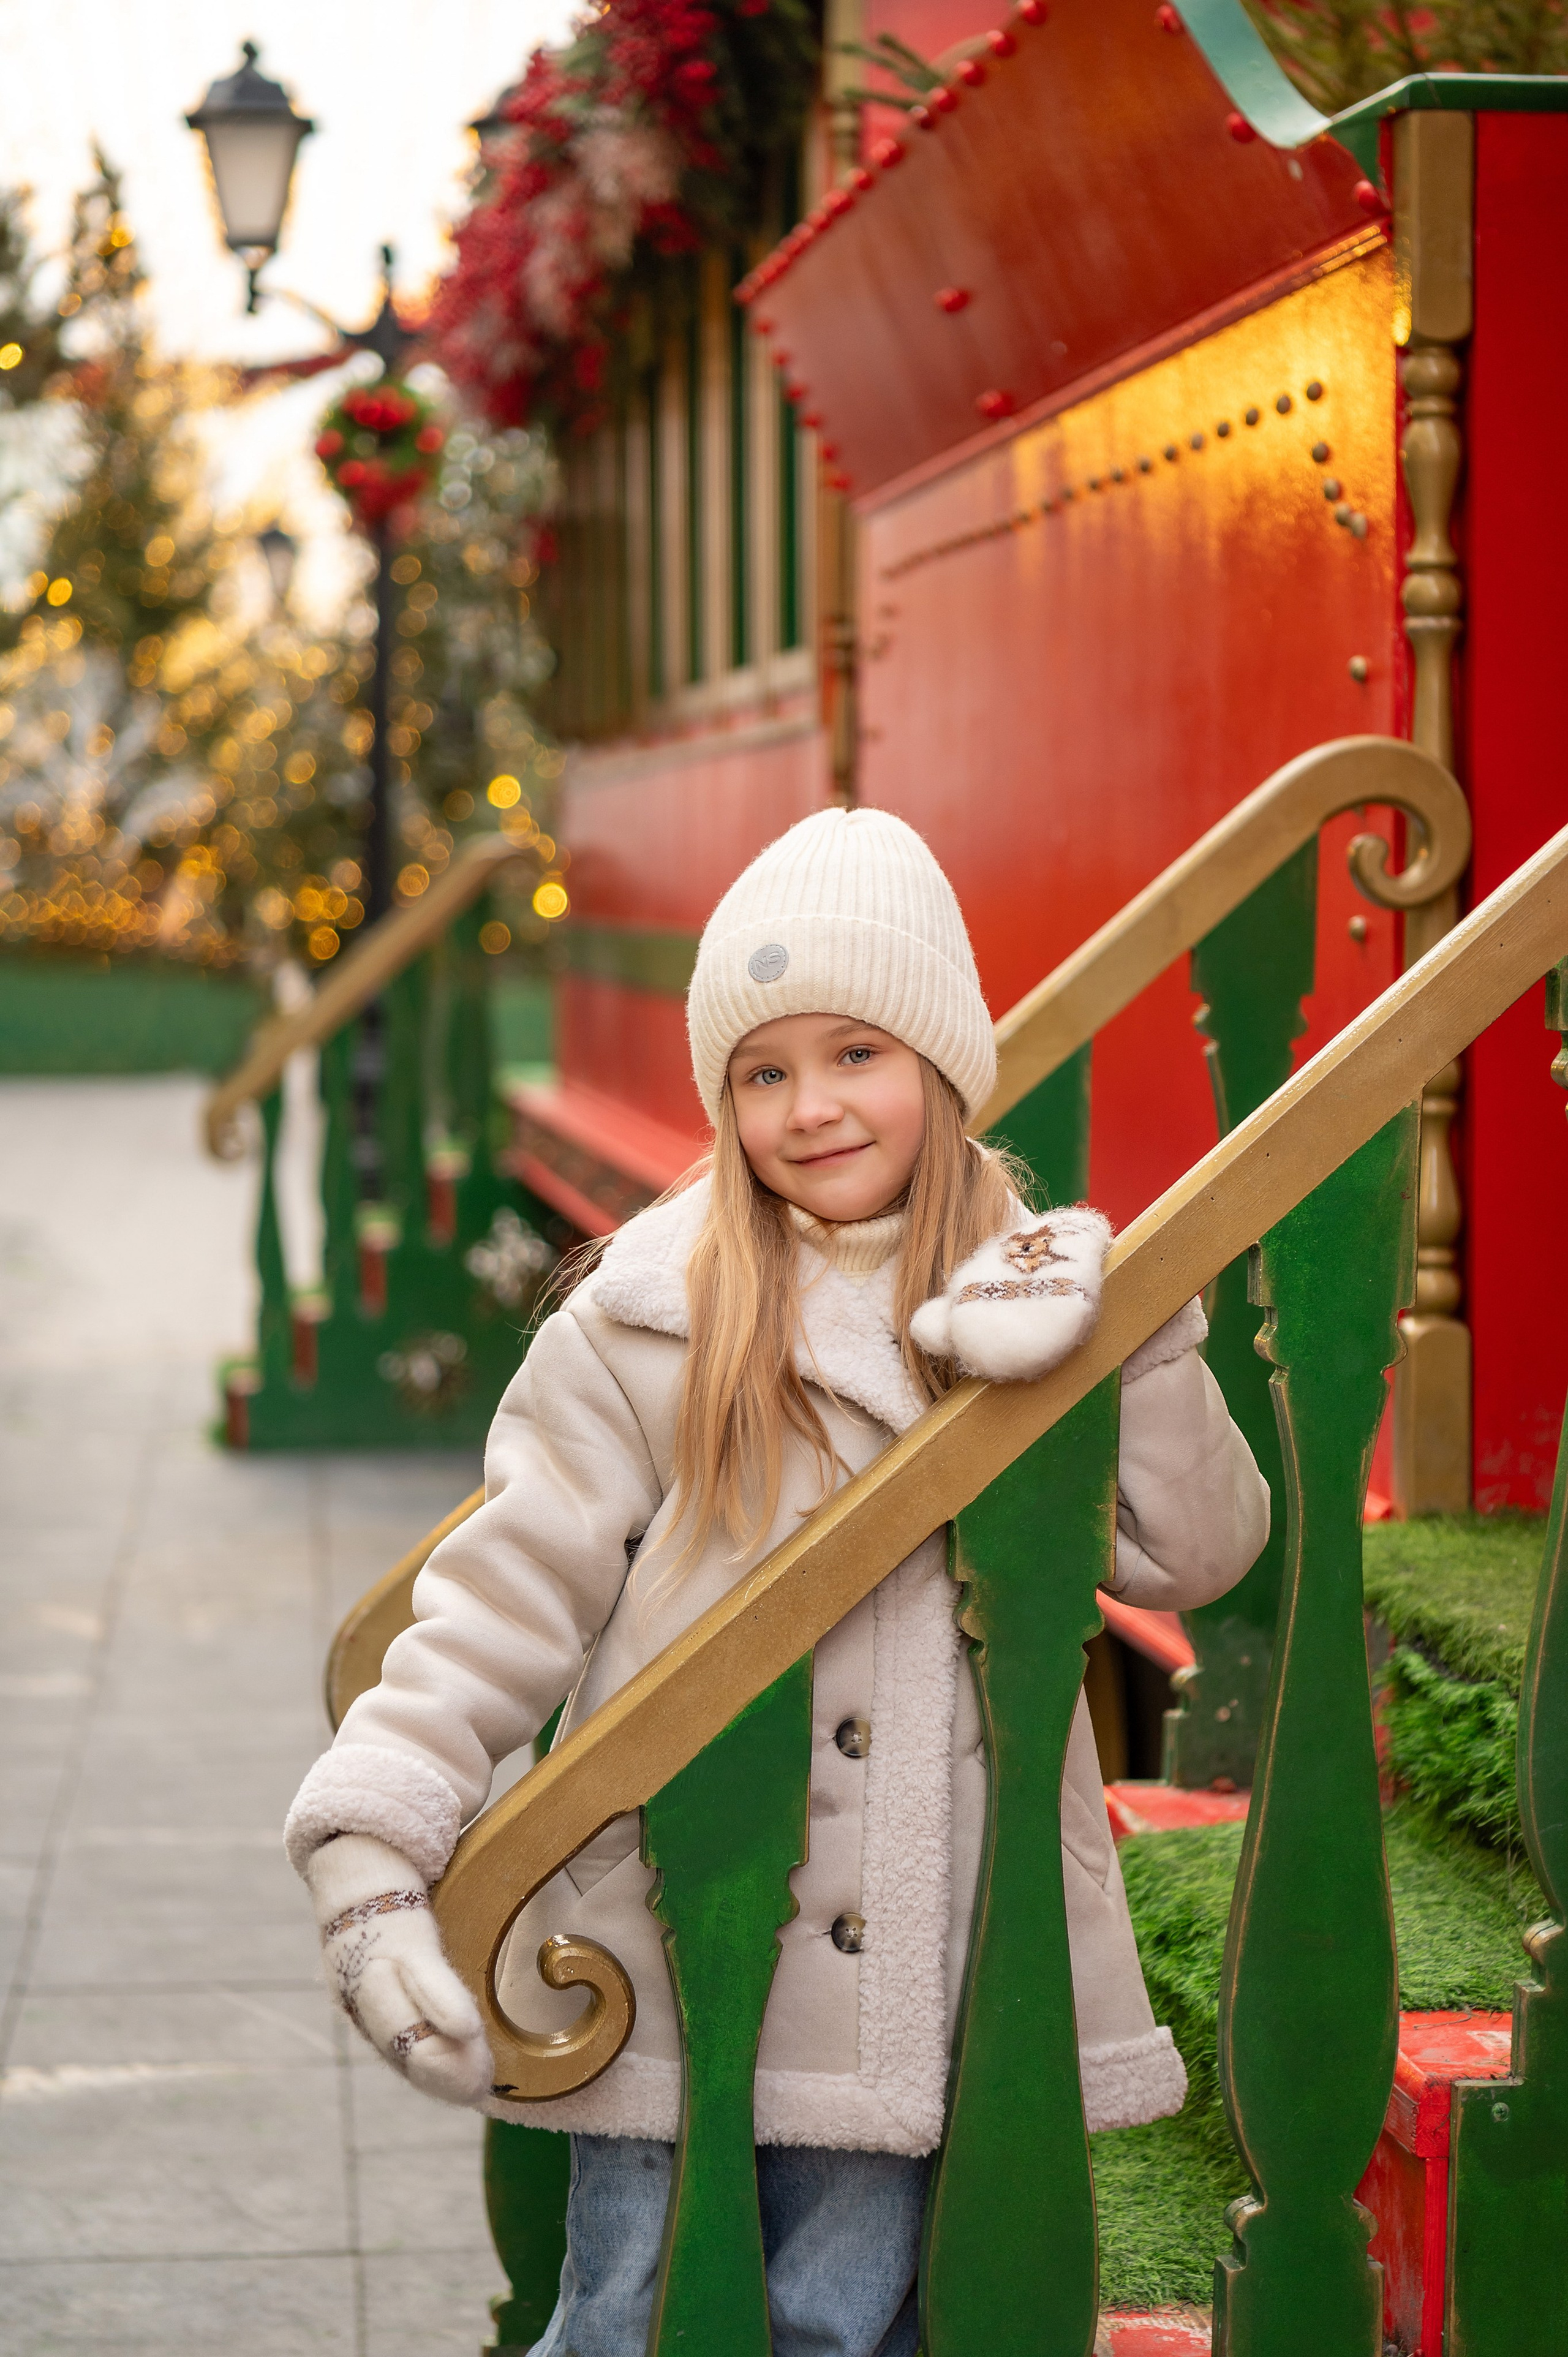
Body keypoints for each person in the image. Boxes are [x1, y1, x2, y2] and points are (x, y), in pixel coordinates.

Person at [285, 807, 1270, 2357]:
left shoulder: (1030, 1295)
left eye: (855, 1052)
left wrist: (1128, 1330)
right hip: (679, 1946)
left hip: (930, 1962)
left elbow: (1198, 1551)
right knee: (633, 2316)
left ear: (938, 1064)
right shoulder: (642, 1322)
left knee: (848, 2327)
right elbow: (500, 1600)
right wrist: (370, 1843)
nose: (809, 1106)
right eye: (762, 1070)